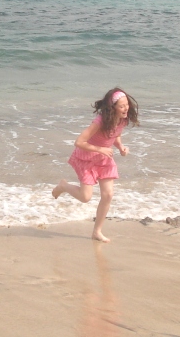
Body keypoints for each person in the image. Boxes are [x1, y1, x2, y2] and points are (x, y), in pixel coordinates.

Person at [53, 88, 139, 242]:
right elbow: (79, 142)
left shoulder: (123, 119)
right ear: (112, 108)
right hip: (87, 158)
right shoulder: (99, 122)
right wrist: (100, 149)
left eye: (127, 105)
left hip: (104, 159)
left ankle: (97, 232)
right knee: (85, 197)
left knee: (108, 194)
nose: (126, 108)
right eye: (121, 106)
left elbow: (116, 134)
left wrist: (121, 148)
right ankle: (64, 186)